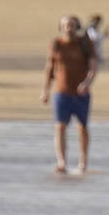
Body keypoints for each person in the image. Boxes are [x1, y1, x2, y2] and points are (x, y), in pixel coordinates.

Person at [42, 15, 97, 173]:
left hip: (81, 94)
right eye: (65, 25)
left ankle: (83, 161)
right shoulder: (56, 44)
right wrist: (45, 90)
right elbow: (49, 67)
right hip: (61, 92)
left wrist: (86, 83)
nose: (68, 28)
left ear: (76, 27)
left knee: (82, 127)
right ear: (61, 27)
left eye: (71, 25)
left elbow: (93, 67)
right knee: (60, 126)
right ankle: (62, 161)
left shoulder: (85, 44)